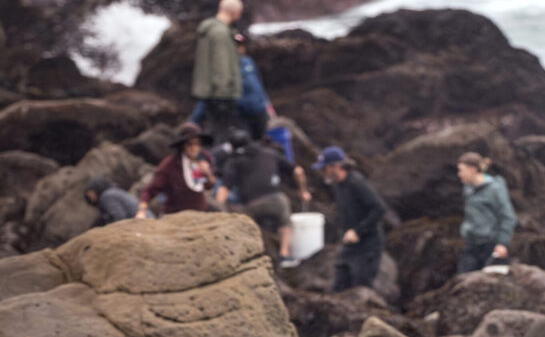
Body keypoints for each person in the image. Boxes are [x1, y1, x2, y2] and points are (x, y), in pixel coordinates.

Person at [216, 128, 311, 267]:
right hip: (276, 201)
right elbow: (298, 171)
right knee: (285, 219)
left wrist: (218, 212)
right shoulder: (269, 153)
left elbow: (224, 189)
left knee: (248, 225)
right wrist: (303, 191)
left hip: (252, 205)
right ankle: (285, 254)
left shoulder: (234, 161)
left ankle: (254, 255)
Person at [312, 146, 387, 291]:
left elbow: (379, 209)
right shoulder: (337, 186)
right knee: (340, 285)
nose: (322, 173)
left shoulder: (357, 183)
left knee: (362, 287)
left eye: (324, 168)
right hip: (350, 245)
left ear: (336, 166)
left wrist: (357, 231)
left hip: (368, 245)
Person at [190, 32, 273, 140]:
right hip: (240, 117)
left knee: (261, 142)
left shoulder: (248, 62)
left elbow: (259, 85)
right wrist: (193, 121)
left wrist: (268, 107)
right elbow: (205, 98)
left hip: (259, 113)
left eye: (239, 46)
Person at [192, 0, 244, 146]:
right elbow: (220, 65)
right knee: (222, 133)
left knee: (215, 129)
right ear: (234, 12)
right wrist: (222, 91)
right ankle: (218, 164)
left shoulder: (211, 30)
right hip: (221, 93)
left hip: (210, 91)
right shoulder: (220, 33)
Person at [455, 152, 517, 273]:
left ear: (472, 169)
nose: (459, 174)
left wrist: (502, 243)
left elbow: (508, 217)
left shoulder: (495, 189)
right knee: (463, 281)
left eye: (461, 170)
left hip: (492, 246)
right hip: (471, 245)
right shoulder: (468, 189)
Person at [136, 122, 213, 218]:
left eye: (197, 143)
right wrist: (141, 211)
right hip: (174, 218)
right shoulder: (170, 165)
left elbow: (209, 185)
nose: (194, 148)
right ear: (182, 145)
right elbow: (149, 191)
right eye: (190, 144)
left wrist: (208, 173)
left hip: (199, 215)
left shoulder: (205, 158)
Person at [84, 177, 152, 224]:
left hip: (141, 221)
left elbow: (119, 216)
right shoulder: (114, 191)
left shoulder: (106, 196)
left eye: (91, 193)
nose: (91, 197)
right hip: (147, 218)